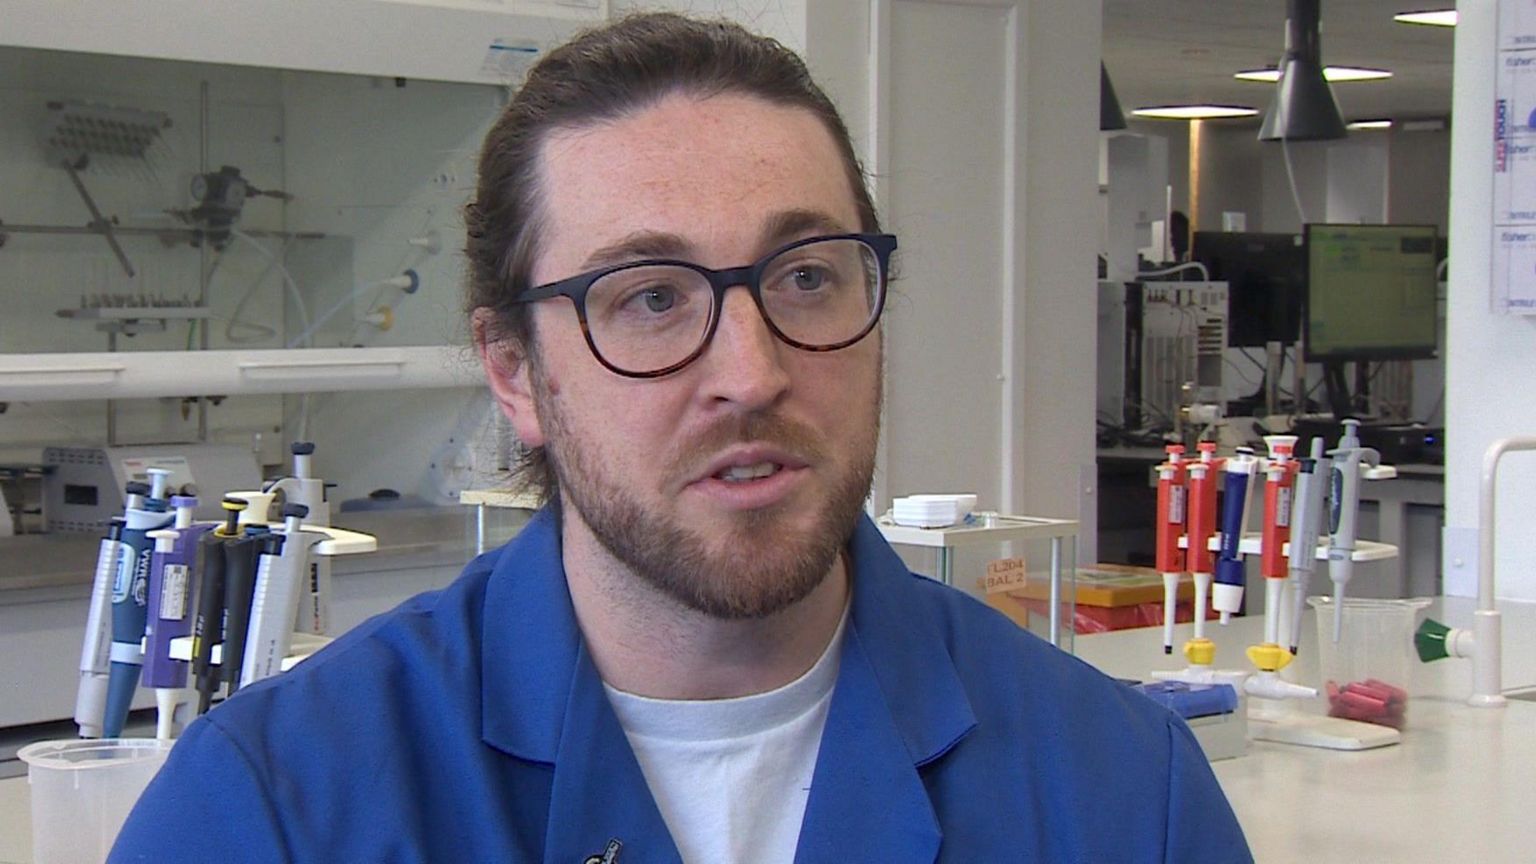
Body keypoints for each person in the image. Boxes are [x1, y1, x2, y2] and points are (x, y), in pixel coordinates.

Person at [113, 12, 1251, 863]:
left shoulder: (1121, 799)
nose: (751, 373)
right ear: (515, 372)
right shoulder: (274, 811)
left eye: (807, 277)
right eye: (650, 298)